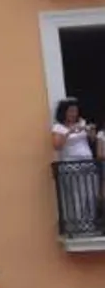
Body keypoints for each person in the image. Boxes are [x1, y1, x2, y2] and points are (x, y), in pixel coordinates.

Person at [53, 98, 99, 232]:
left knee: (90, 195)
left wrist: (90, 130)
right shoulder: (58, 127)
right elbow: (57, 145)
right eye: (71, 111)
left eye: (75, 111)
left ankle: (89, 223)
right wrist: (70, 132)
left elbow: (92, 139)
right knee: (77, 196)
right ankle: (79, 225)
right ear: (64, 113)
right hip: (71, 166)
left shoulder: (82, 123)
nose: (74, 114)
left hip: (88, 164)